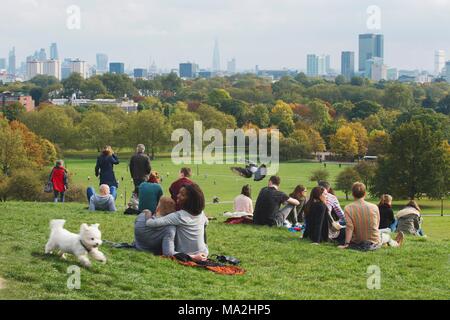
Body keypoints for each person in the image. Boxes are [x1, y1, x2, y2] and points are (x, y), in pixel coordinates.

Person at [146, 183, 209, 258]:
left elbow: (151, 223)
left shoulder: (179, 216)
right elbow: (206, 223)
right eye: (179, 193)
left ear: (190, 200)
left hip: (186, 255)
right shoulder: (201, 214)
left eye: (182, 195)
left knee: (169, 228)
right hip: (204, 252)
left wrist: (148, 213)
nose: (178, 195)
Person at [338, 182, 404, 251]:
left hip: (357, 241)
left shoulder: (348, 208)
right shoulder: (374, 207)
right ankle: (396, 243)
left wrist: (346, 243)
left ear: (352, 194)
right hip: (374, 240)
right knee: (386, 236)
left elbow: (349, 227)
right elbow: (377, 224)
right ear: (365, 194)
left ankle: (392, 242)